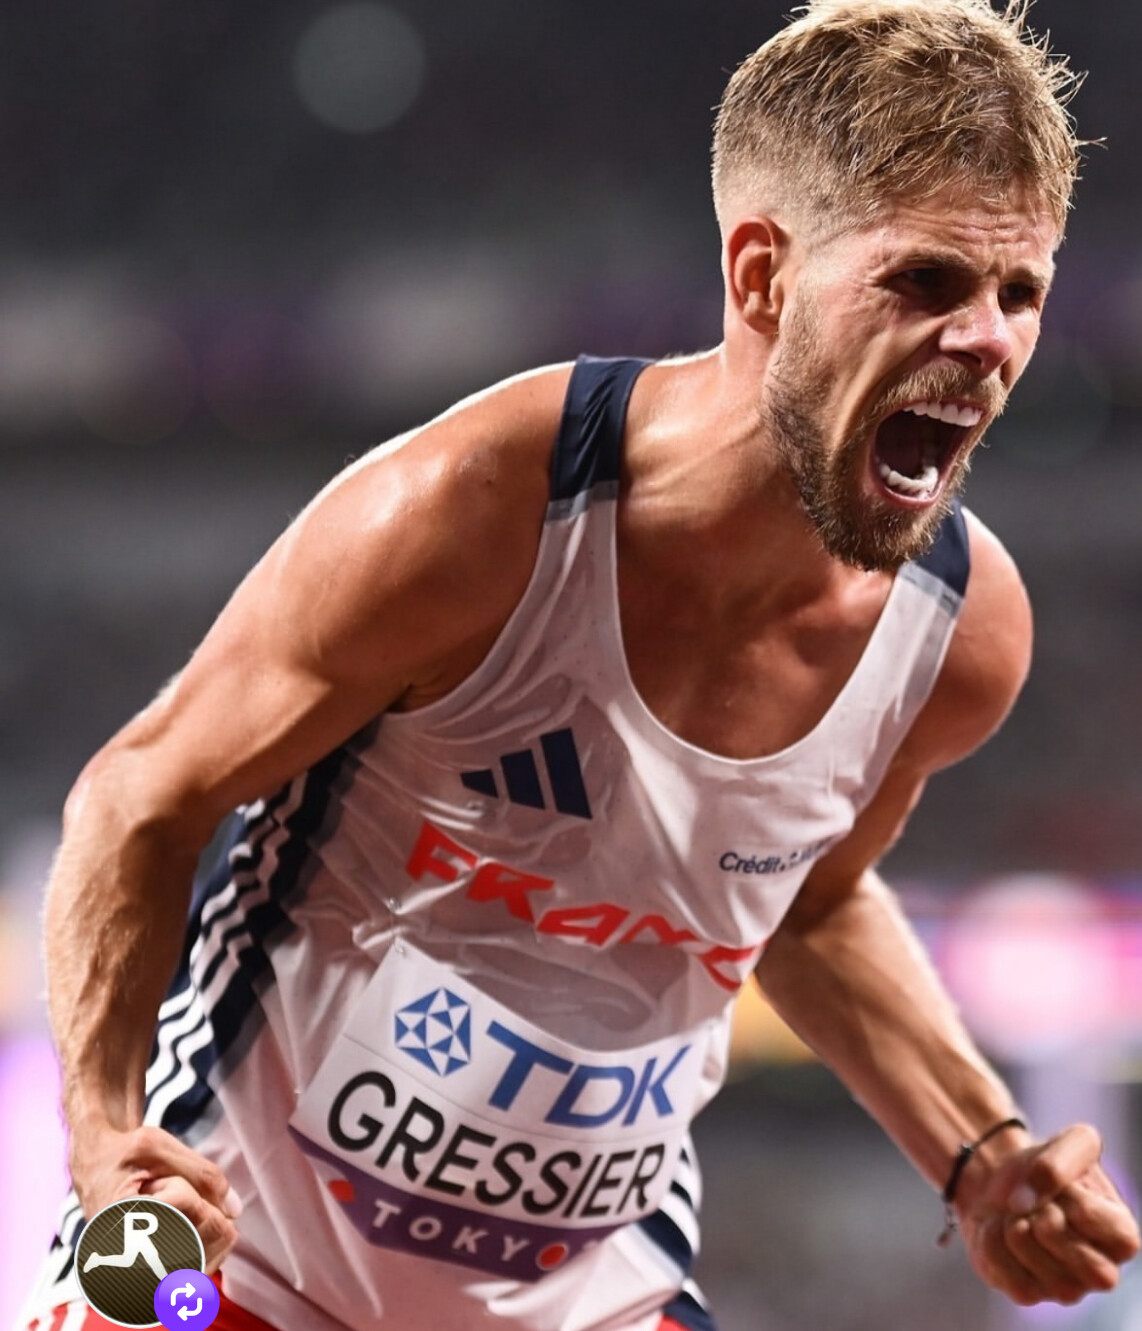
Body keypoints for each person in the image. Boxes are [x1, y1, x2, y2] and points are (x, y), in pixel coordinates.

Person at [17, 2, 1141, 1329]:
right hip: (243, 1263)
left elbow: (806, 904)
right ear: (762, 277)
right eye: (926, 282)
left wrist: (980, 1150)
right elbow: (141, 796)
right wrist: (106, 1131)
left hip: (591, 1300)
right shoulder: (475, 513)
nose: (989, 341)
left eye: (1020, 293)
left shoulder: (958, 634)